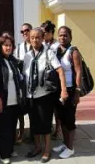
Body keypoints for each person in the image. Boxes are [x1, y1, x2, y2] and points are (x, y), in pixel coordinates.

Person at [23, 28, 68, 163]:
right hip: (31, 95)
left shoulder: (49, 53)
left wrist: (64, 90)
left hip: (45, 95)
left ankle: (47, 150)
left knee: (46, 123)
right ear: (29, 39)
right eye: (32, 37)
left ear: (42, 38)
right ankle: (37, 147)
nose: (35, 40)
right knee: (35, 123)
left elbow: (60, 71)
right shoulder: (27, 56)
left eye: (38, 37)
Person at [0, 35, 22, 164]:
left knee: (13, 125)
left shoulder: (13, 60)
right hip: (3, 100)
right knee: (4, 128)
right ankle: (4, 154)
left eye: (10, 45)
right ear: (0, 47)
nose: (8, 47)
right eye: (5, 45)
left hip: (14, 99)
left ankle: (10, 149)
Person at [53, 26, 82, 159]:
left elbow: (78, 71)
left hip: (70, 90)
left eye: (65, 35)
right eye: (60, 35)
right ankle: (65, 144)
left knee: (70, 120)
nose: (62, 37)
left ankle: (70, 148)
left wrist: (77, 91)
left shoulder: (73, 51)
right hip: (60, 90)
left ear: (70, 36)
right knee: (62, 118)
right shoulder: (57, 50)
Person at [41, 20, 61, 140]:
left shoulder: (57, 46)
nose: (42, 35)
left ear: (50, 33)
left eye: (44, 33)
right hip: (45, 80)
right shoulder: (42, 44)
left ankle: (58, 129)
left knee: (56, 107)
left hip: (56, 80)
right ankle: (49, 128)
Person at [13, 23, 33, 144]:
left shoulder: (38, 45)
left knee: (32, 107)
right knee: (21, 107)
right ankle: (21, 132)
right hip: (22, 81)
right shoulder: (19, 47)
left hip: (35, 82)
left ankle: (32, 133)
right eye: (22, 31)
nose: (24, 33)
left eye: (27, 30)